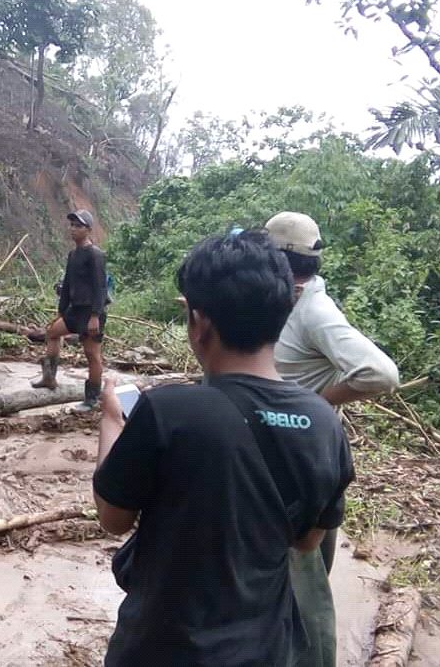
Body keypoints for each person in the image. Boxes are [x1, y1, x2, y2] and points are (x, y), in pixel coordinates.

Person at [92, 231, 354, 667]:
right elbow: (308, 542)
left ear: (200, 323)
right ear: (283, 315)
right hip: (265, 650)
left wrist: (110, 420)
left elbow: (113, 518)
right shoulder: (325, 423)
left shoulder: (169, 411)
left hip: (160, 648)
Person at [265, 210, 400, 667]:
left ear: (280, 260)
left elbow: (380, 373)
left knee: (303, 580)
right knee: (293, 570)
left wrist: (318, 401)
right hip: (293, 453)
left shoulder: (315, 311)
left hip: (300, 459)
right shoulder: (289, 303)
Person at [31, 208, 108, 411]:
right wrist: (60, 311)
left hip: (91, 312)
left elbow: (101, 287)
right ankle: (49, 377)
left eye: (78, 226)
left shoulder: (95, 255)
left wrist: (95, 316)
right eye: (72, 225)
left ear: (88, 230)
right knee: (52, 332)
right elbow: (67, 285)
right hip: (74, 310)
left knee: (92, 355)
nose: (73, 229)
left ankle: (92, 399)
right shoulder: (73, 254)